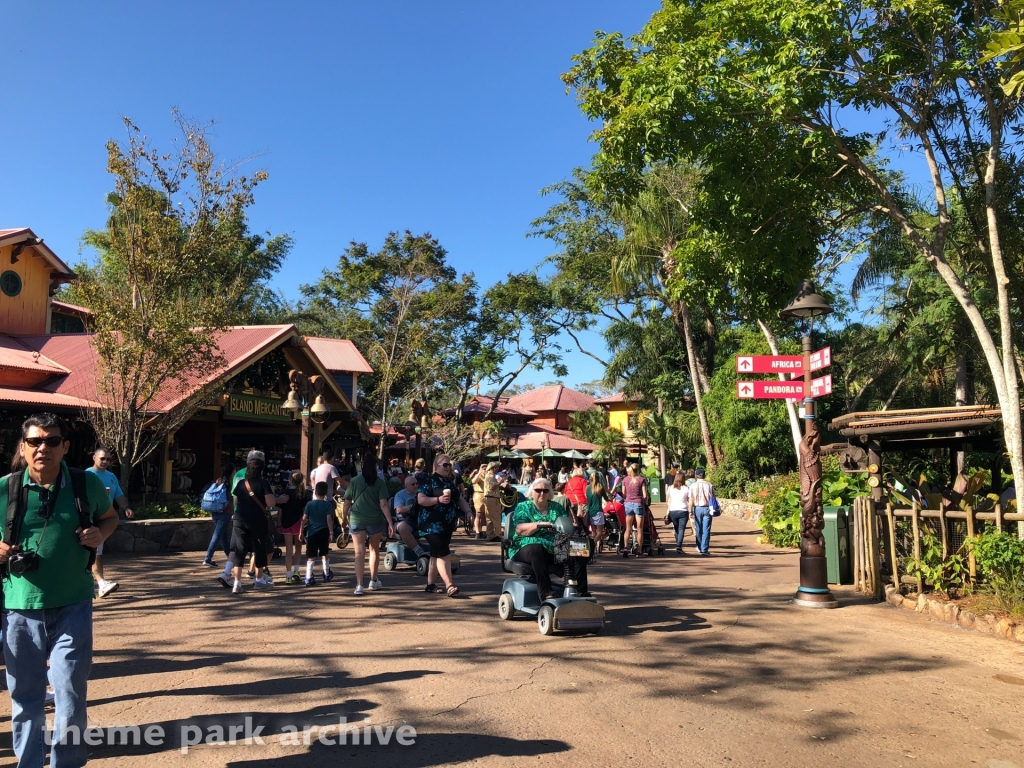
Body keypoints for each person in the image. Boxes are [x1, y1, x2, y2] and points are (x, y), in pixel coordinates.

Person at [1, 413, 118, 767]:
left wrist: (102, 534)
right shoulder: (6, 488)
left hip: (74, 605)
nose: (43, 448)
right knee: (26, 696)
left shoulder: (86, 485)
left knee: (69, 692)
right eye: (35, 441)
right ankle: (30, 763)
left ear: (65, 447)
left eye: (52, 441)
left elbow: (109, 517)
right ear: (23, 447)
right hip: (19, 607)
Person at [508, 478, 589, 600]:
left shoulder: (556, 507)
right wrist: (539, 524)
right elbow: (519, 529)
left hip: (554, 547)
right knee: (537, 549)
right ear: (532, 492)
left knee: (578, 547)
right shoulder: (523, 506)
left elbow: (566, 527)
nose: (542, 493)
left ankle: (580, 592)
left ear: (550, 493)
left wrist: (562, 529)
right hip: (525, 546)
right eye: (538, 490)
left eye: (545, 490)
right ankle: (545, 591)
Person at [417, 454, 471, 597]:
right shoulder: (428, 480)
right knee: (444, 552)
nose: (448, 468)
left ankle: (430, 585)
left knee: (436, 554)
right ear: (436, 466)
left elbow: (459, 499)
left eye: (449, 465)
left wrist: (469, 511)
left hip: (446, 525)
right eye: (445, 465)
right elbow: (421, 500)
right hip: (430, 525)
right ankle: (450, 585)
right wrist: (438, 499)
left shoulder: (449, 483)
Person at [84, 447, 134, 598]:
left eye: (108, 459)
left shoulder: (111, 476)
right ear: (94, 458)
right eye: (102, 458)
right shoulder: (87, 475)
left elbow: (118, 495)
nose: (105, 461)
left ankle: (96, 583)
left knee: (94, 552)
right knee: (94, 551)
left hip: (103, 520)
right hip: (88, 519)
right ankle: (101, 583)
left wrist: (126, 507)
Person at [341, 454, 393, 595]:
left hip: (357, 519)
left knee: (359, 552)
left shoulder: (354, 481)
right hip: (374, 520)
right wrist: (390, 522)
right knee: (374, 550)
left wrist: (344, 518)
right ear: (376, 466)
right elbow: (383, 504)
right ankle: (373, 579)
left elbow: (346, 503)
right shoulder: (379, 483)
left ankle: (359, 585)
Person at [229, 457, 278, 594]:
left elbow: (237, 500)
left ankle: (237, 583)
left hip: (239, 519)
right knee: (259, 548)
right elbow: (270, 503)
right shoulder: (263, 483)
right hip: (257, 519)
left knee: (240, 550)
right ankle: (259, 579)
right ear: (261, 470)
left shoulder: (240, 484)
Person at [299, 481, 335, 585]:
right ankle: (327, 573)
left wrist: (301, 531)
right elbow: (329, 520)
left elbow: (304, 519)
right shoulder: (328, 505)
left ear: (315, 492)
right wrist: (331, 532)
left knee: (311, 556)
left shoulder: (309, 504)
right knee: (324, 553)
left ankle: (308, 577)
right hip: (323, 531)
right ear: (326, 492)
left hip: (311, 532)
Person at [279, 471, 308, 584]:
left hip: (286, 522)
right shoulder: (303, 493)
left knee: (288, 550)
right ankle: (296, 570)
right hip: (298, 522)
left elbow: (280, 510)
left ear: (290, 479)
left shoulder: (284, 493)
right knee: (299, 548)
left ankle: (288, 576)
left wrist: (278, 523)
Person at [201, 469, 233, 568]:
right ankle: (208, 558)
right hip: (225, 511)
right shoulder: (230, 483)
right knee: (218, 535)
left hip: (215, 511)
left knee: (223, 535)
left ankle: (230, 556)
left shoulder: (218, 481)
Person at [393, 475, 426, 557]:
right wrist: (411, 507)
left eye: (416, 484)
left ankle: (440, 550)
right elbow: (399, 510)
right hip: (405, 520)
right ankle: (419, 552)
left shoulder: (421, 493)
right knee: (402, 527)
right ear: (406, 486)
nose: (416, 486)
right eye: (413, 484)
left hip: (420, 519)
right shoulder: (400, 495)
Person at [621, 463, 648, 557]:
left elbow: (623, 494)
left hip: (628, 503)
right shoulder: (641, 479)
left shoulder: (625, 479)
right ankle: (639, 551)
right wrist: (644, 499)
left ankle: (625, 547)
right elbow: (644, 495)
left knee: (628, 528)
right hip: (638, 503)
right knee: (639, 529)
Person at [689, 468, 716, 555]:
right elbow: (713, 497)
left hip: (697, 508)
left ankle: (699, 546)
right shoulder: (709, 485)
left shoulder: (693, 486)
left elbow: (691, 500)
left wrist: (690, 511)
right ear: (704, 475)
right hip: (708, 508)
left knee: (698, 528)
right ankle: (704, 549)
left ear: (696, 476)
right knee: (706, 529)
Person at [585, 470, 609, 553]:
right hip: (598, 511)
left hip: (590, 511)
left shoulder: (588, 488)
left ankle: (594, 549)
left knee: (593, 532)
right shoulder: (600, 488)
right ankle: (592, 545)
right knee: (600, 532)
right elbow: (606, 498)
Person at [666, 472, 691, 554]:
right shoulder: (686, 488)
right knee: (681, 529)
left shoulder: (670, 488)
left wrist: (667, 512)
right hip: (683, 510)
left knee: (676, 529)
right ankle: (679, 546)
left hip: (673, 510)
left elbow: (668, 501)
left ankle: (678, 545)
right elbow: (688, 500)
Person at [482, 462, 502, 542]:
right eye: (496, 467)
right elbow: (492, 487)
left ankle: (490, 535)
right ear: (492, 468)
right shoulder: (490, 476)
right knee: (496, 517)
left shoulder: (488, 476)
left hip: (488, 498)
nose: (497, 469)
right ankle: (498, 535)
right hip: (492, 498)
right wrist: (500, 482)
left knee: (489, 518)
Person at [469, 463, 489, 539]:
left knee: (483, 515)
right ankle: (477, 532)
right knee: (478, 514)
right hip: (479, 495)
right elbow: (473, 481)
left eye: (486, 469)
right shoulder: (479, 475)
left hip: (486, 495)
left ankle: (481, 531)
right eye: (483, 468)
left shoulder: (487, 476)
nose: (485, 470)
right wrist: (478, 473)